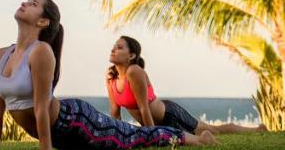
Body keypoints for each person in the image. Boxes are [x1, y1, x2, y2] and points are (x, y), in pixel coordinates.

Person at [0, 0, 216, 150]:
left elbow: (41, 109)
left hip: (76, 122)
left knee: (135, 138)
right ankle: (191, 137)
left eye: (33, 4)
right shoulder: (0, 56)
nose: (25, 3)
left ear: (43, 22)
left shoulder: (41, 52)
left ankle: (199, 140)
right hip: (65, 140)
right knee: (118, 141)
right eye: (27, 1)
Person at [106, 35, 264, 135]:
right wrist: (118, 136)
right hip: (155, 122)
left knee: (213, 131)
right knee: (208, 131)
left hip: (169, 115)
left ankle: (257, 130)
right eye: (114, 46)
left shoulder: (134, 72)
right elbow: (115, 113)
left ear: (131, 55)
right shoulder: (111, 78)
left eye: (119, 48)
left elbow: (144, 108)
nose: (113, 49)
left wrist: (152, 137)